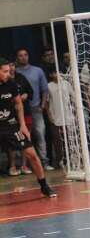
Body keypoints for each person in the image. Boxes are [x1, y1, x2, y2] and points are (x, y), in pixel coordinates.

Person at [0, 58, 56, 197]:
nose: (8, 73)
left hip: (12, 126)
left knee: (32, 155)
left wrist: (23, 125)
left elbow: (18, 104)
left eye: (9, 70)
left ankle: (44, 186)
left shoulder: (11, 84)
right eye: (5, 71)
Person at [16, 48, 53, 171]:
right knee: (25, 138)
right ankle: (26, 165)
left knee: (40, 135)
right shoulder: (14, 72)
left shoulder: (38, 71)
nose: (23, 57)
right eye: (20, 55)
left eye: (25, 55)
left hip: (36, 108)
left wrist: (42, 105)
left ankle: (44, 162)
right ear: (17, 58)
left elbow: (45, 90)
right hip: (21, 110)